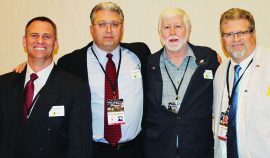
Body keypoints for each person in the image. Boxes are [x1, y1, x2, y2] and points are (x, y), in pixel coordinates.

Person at [57, 2, 150, 158]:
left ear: (122, 28)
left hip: (135, 150)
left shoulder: (139, 54)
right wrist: (31, 65)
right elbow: (51, 81)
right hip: (93, 151)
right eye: (102, 24)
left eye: (114, 24)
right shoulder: (70, 63)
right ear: (91, 29)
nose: (108, 30)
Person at [213, 8, 270, 158]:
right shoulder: (221, 71)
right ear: (222, 38)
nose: (235, 39)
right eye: (229, 34)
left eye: (242, 33)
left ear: (253, 33)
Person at [0, 16, 92, 158]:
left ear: (55, 44)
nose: (40, 41)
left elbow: (80, 148)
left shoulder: (75, 88)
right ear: (25, 41)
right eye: (34, 35)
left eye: (47, 36)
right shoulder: (4, 84)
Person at [144, 8, 219, 158]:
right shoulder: (148, 63)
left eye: (178, 26)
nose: (172, 32)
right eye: (166, 27)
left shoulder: (208, 58)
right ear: (160, 32)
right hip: (159, 149)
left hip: (198, 148)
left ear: (188, 29)